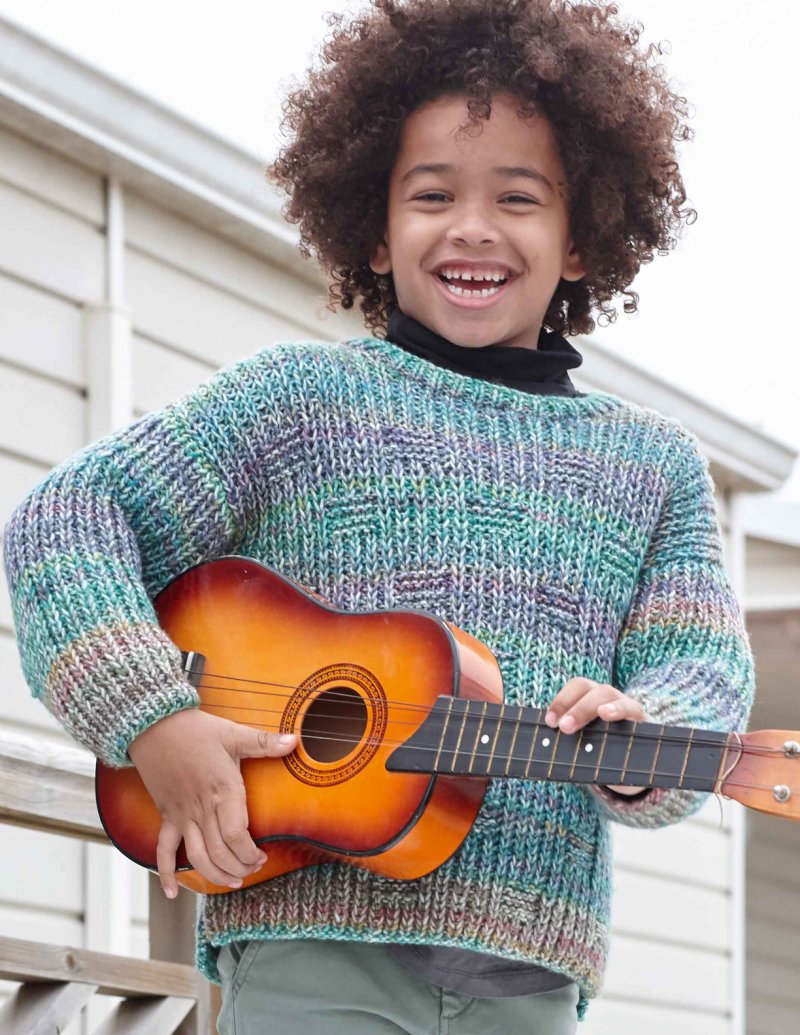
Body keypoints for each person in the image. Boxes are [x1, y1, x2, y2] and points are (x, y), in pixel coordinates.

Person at [3, 1, 755, 1032]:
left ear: (581, 238)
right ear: (373, 227)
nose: (472, 226)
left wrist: (647, 724)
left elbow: (701, 672)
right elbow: (66, 519)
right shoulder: (294, 402)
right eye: (431, 193)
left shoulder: (654, 466)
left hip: (526, 973)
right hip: (305, 950)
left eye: (519, 197)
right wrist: (155, 719)